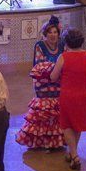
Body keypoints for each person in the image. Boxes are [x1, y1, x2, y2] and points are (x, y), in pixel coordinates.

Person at [51, 28, 86, 170]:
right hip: (84, 94)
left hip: (68, 94)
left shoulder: (63, 57)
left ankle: (75, 155)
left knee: (67, 124)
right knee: (78, 123)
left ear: (66, 42)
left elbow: (53, 77)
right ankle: (72, 153)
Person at [15, 19, 64, 150]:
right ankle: (41, 140)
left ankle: (55, 141)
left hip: (58, 81)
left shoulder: (62, 44)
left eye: (55, 32)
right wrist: (58, 69)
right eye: (50, 32)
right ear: (45, 34)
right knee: (43, 112)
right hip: (42, 82)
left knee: (56, 111)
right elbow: (41, 64)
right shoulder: (40, 45)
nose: (53, 35)